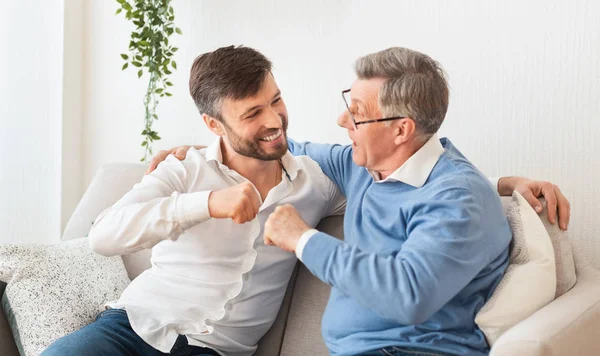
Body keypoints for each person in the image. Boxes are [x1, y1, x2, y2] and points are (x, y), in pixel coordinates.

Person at [152, 47, 571, 356]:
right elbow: (282, 146)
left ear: (402, 130)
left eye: (356, 112)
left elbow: (408, 295)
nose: (341, 121)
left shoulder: (460, 200)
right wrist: (207, 147)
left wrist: (302, 240)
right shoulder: (364, 167)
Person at [42, 46, 347, 356]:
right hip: (131, 328)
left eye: (276, 100)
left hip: (214, 350)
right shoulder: (185, 169)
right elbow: (102, 236)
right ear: (214, 125)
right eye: (253, 113)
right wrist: (206, 204)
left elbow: (384, 191)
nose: (274, 120)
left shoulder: (316, 185)